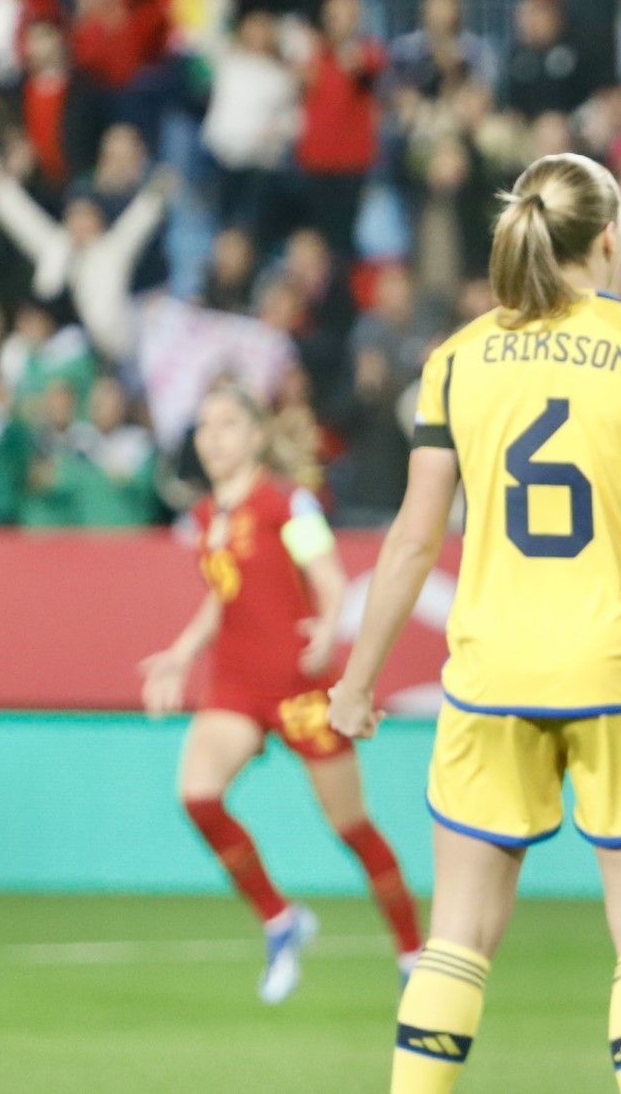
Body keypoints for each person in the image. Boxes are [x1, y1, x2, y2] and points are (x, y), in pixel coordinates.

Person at [324, 153, 621, 1094]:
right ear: (612, 240)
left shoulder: (457, 360)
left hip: (493, 671)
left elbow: (413, 543)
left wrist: (357, 682)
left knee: (456, 940)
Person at [139, 383, 422, 1005]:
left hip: (298, 687)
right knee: (199, 796)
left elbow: (326, 575)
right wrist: (183, 654)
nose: (212, 438)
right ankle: (279, 918)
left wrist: (326, 623)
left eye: (227, 425)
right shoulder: (209, 516)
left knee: (350, 827)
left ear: (257, 435)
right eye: (204, 427)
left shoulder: (286, 504)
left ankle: (411, 950)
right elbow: (227, 591)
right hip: (236, 685)